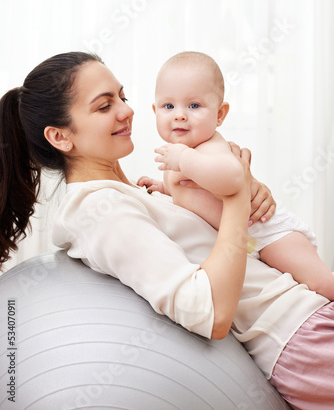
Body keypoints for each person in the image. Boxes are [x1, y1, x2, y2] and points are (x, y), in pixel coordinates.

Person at [0, 51, 333, 410]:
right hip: (298, 335)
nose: (127, 111)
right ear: (61, 137)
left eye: (123, 97)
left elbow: (230, 239)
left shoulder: (134, 193)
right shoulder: (98, 210)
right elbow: (209, 311)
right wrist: (236, 198)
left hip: (308, 316)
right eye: (104, 106)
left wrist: (249, 196)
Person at [138, 51, 334, 302]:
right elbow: (191, 191)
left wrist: (184, 160)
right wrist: (162, 187)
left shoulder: (210, 148)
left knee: (322, 284)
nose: (180, 114)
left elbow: (233, 178)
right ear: (155, 111)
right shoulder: (181, 156)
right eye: (168, 106)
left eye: (194, 105)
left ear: (220, 114)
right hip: (247, 242)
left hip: (270, 232)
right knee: (298, 291)